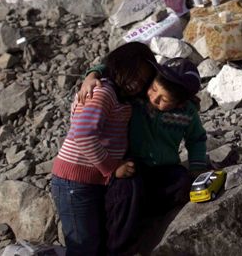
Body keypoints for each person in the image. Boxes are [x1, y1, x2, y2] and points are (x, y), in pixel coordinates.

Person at [51, 42, 156, 256]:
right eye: (134, 74)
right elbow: (83, 134)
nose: (137, 84)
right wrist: (112, 168)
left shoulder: (119, 96)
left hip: (89, 180)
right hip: (75, 182)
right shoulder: (102, 92)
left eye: (143, 81)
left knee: (93, 241)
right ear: (121, 65)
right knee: (84, 247)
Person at [77, 58, 207, 216]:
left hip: (165, 167)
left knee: (183, 183)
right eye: (153, 88)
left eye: (164, 100)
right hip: (132, 165)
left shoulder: (187, 112)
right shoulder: (139, 98)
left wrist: (197, 167)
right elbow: (118, 66)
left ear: (180, 103)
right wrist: (92, 75)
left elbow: (196, 139)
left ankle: (147, 214)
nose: (154, 98)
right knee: (126, 192)